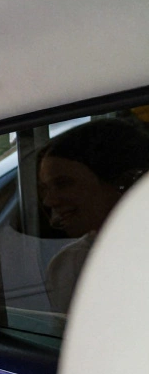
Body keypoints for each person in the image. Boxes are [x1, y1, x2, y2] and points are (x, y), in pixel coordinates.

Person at [38, 117, 149, 312]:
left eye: (63, 184)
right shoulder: (66, 265)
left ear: (124, 183)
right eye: (46, 189)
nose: (49, 201)